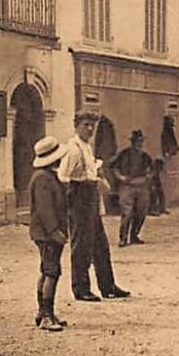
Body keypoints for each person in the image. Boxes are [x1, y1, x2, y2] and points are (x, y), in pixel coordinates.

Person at [58, 111, 130, 302]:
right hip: (79, 198)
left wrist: (98, 180)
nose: (90, 129)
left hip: (90, 198)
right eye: (86, 125)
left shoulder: (87, 147)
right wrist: (81, 188)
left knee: (101, 245)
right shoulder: (73, 149)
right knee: (81, 245)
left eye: (92, 125)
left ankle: (108, 286)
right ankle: (80, 288)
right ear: (77, 126)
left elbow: (90, 171)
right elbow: (63, 177)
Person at [29, 136, 70, 331]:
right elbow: (45, 210)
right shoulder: (42, 179)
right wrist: (55, 231)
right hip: (47, 234)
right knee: (52, 272)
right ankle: (46, 316)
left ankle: (44, 312)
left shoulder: (48, 176)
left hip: (48, 233)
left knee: (47, 270)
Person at [111, 130, 154, 247]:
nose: (139, 144)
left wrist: (147, 178)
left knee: (141, 211)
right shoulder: (123, 154)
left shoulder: (145, 157)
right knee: (127, 212)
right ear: (132, 142)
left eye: (141, 141)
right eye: (137, 141)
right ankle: (123, 238)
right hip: (127, 185)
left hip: (141, 185)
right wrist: (121, 177)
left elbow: (152, 170)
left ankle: (134, 235)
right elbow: (114, 168)